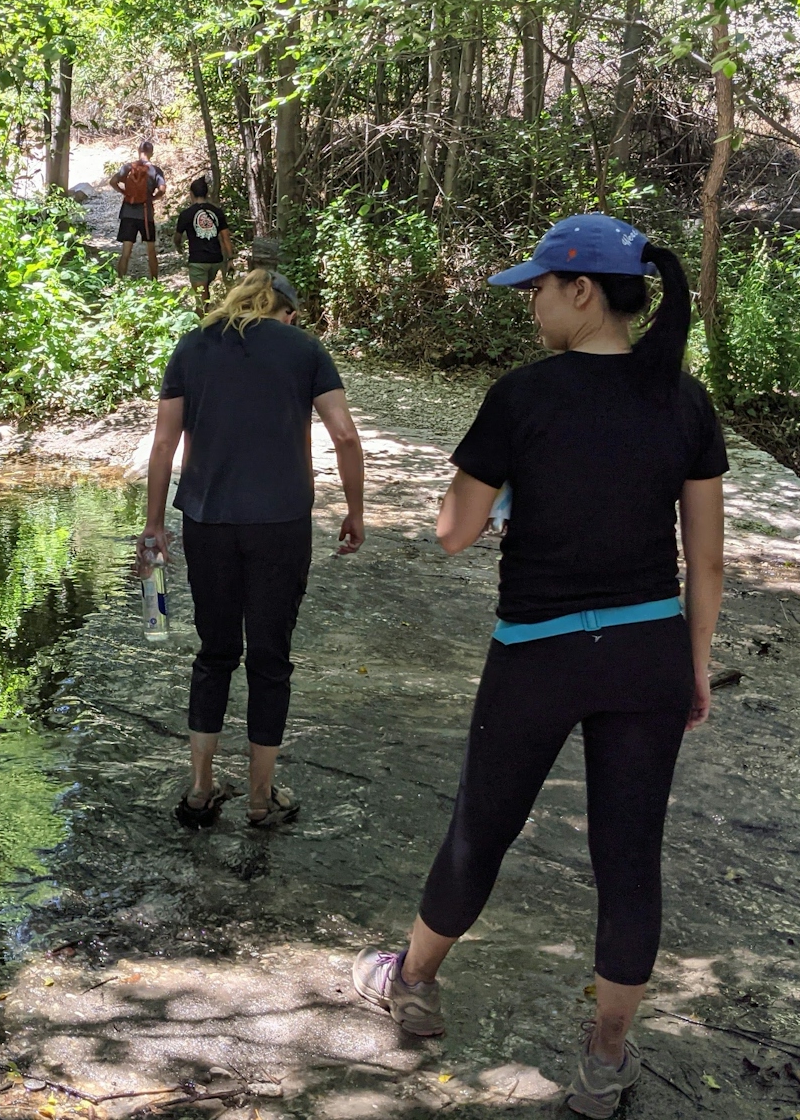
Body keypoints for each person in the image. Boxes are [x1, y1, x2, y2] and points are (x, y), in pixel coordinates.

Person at [352, 215, 727, 1120]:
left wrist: (507, 490)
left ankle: (413, 983)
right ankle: (604, 1059)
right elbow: (707, 561)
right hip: (647, 651)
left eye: (538, 288)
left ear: (583, 291)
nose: (531, 303)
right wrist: (697, 666)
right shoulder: (684, 401)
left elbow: (451, 534)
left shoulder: (522, 398)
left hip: (538, 652)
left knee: (482, 826)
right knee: (629, 859)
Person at [141, 269, 366, 829]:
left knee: (215, 653)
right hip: (281, 523)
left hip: (207, 520)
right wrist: (354, 512)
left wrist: (153, 527)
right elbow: (344, 435)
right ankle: (262, 800)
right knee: (269, 660)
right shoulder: (304, 349)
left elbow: (164, 442)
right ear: (286, 311)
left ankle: (199, 791)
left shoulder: (192, 346)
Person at [175, 178, 235, 314]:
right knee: (205, 294)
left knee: (201, 303)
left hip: (198, 260)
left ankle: (202, 329)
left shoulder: (186, 214)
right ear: (207, 194)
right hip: (216, 260)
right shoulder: (217, 212)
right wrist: (230, 259)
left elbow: (177, 237)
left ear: (191, 194)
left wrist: (178, 247)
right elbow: (225, 237)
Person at [111, 141, 166, 279]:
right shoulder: (155, 170)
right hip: (146, 214)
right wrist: (152, 198)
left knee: (126, 252)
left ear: (138, 151)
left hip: (128, 213)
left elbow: (113, 181)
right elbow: (162, 190)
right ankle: (154, 283)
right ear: (151, 152)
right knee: (151, 251)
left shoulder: (128, 167)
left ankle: (120, 282)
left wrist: (124, 193)